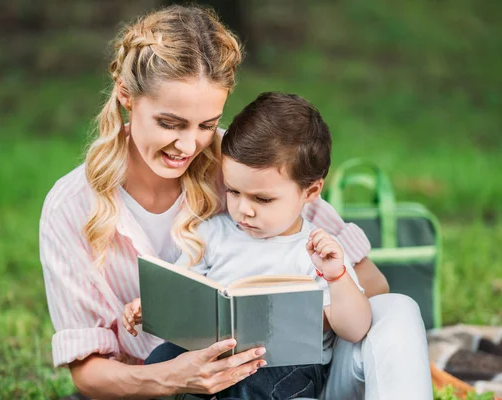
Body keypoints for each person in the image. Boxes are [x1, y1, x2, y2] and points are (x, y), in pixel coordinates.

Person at [39, 4, 432, 400]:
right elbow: (87, 373)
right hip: (156, 386)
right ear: (126, 96)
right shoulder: (71, 206)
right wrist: (174, 376)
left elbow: (373, 286)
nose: (189, 145)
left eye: (207, 124)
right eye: (170, 123)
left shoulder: (247, 163)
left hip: (294, 373)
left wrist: (314, 308)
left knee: (397, 308)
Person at [122, 92, 373, 399]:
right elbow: (181, 289)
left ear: (311, 191)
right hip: (212, 353)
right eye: (234, 191)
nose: (244, 209)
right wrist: (149, 305)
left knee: (251, 388)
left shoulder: (318, 252)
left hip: (285, 365)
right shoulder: (211, 233)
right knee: (160, 362)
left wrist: (337, 277)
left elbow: (355, 329)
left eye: (262, 199)